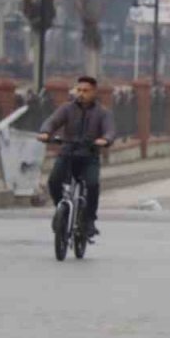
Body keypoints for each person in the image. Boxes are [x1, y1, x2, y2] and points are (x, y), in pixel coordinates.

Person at [36, 76, 114, 237]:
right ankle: (61, 211)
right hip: (68, 154)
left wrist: (105, 139)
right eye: (79, 90)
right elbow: (52, 121)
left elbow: (110, 130)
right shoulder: (67, 109)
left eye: (86, 91)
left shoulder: (102, 113)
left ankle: (90, 220)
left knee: (92, 185)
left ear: (94, 92)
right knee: (53, 181)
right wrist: (45, 132)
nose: (81, 94)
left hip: (89, 156)